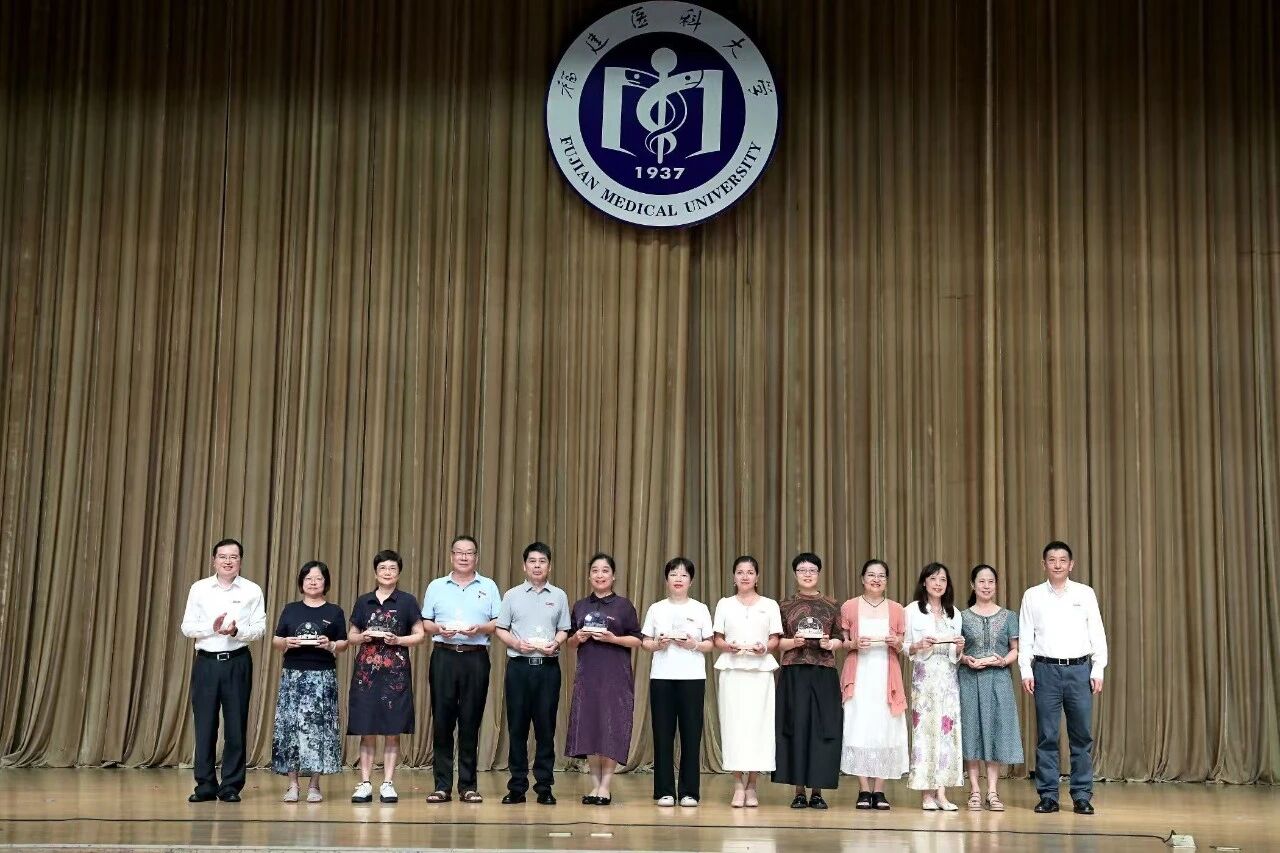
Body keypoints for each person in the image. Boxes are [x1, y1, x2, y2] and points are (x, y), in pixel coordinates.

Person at [1018, 540, 1108, 815]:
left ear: (1071, 565)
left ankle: (1081, 795)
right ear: (1043, 564)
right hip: (1045, 670)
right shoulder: (1032, 595)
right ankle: (1048, 795)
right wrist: (1025, 670)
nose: (1057, 565)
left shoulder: (1085, 593)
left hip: (1079, 670)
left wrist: (1098, 668)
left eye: (1062, 560)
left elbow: (1097, 632)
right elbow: (1026, 635)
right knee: (1047, 735)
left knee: (1081, 735)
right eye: (1052, 560)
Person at [180, 538, 267, 803]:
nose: (228, 561)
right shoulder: (199, 588)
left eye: (233, 557)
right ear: (214, 560)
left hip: (237, 661)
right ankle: (205, 785)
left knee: (236, 726)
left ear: (240, 560)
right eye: (223, 556)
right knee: (205, 725)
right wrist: (212, 628)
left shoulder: (252, 590)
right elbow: (187, 627)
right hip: (206, 663)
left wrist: (236, 630)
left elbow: (260, 629)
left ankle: (231, 785)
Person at [421, 535, 501, 804]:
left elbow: (498, 622)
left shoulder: (488, 586)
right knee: (442, 721)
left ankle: (468, 785)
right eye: (459, 552)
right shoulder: (436, 586)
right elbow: (426, 622)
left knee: (470, 721)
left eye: (469, 553)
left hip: (475, 657)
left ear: (476, 557)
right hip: (443, 656)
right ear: (451, 556)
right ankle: (441, 785)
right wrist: (439, 628)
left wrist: (479, 628)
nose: (464, 557)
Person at [347, 549, 426, 804]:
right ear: (375, 572)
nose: (387, 572)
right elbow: (351, 636)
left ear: (399, 573)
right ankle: (365, 783)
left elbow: (420, 635)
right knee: (366, 729)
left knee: (393, 730)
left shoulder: (407, 601)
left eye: (392, 568)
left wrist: (398, 640)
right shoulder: (364, 601)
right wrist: (363, 637)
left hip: (395, 674)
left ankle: (388, 783)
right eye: (383, 568)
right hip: (366, 675)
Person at [495, 542, 571, 806]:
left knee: (545, 729)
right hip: (519, 668)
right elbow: (501, 629)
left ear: (549, 565)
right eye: (532, 561)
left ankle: (544, 787)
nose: (537, 566)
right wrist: (516, 644)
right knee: (517, 728)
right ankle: (517, 787)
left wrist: (557, 642)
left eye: (542, 561)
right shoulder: (512, 595)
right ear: (524, 565)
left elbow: (564, 629)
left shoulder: (559, 595)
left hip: (548, 669)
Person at [565, 553, 642, 806]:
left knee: (611, 726)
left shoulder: (623, 606)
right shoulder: (580, 606)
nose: (600, 575)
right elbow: (569, 642)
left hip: (615, 675)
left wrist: (614, 639)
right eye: (595, 570)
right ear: (589, 576)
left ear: (613, 576)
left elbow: (637, 640)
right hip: (588, 675)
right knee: (589, 726)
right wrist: (578, 638)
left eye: (605, 570)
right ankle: (595, 784)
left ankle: (606, 786)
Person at [271, 560, 348, 803]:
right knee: (291, 729)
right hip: (293, 676)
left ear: (326, 582)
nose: (313, 583)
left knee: (319, 730)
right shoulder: (291, 609)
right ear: (301, 582)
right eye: (308, 578)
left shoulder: (334, 611)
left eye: (318, 578)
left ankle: (315, 785)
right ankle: (292, 785)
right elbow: (276, 639)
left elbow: (344, 643)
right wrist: (286, 642)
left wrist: (331, 645)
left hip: (322, 676)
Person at [641, 557, 714, 807]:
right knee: (663, 735)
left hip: (692, 678)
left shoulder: (700, 608)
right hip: (662, 677)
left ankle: (689, 791)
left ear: (691, 581)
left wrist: (692, 644)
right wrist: (658, 644)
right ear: (666, 579)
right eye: (673, 574)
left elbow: (709, 644)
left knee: (691, 735)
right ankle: (664, 790)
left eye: (684, 575)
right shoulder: (656, 608)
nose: (678, 579)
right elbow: (645, 642)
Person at [773, 552, 843, 810]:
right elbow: (777, 642)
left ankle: (817, 791)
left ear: (819, 573)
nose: (807, 574)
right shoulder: (784, 605)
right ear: (795, 574)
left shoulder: (832, 604)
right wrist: (793, 642)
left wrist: (830, 644)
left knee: (822, 728)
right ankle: (799, 791)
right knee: (796, 726)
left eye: (812, 570)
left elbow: (841, 638)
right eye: (802, 570)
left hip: (824, 670)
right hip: (794, 671)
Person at [711, 555, 782, 808]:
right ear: (734, 577)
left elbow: (775, 639)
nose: (745, 576)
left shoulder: (770, 605)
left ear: (757, 577)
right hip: (732, 671)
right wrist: (727, 646)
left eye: (750, 572)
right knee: (734, 727)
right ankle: (738, 785)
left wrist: (765, 647)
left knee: (759, 728)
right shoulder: (724, 604)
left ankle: (752, 784)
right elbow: (717, 639)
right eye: (740, 572)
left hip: (760, 673)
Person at [839, 559, 909, 811]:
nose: (876, 579)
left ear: (887, 581)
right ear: (862, 578)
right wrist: (854, 644)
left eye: (881, 576)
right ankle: (863, 789)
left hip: (886, 675)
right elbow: (843, 642)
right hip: (859, 674)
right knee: (858, 727)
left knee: (885, 729)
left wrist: (896, 643)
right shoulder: (849, 606)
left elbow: (901, 645)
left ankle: (879, 789)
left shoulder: (897, 609)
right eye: (871, 575)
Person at [959, 564, 1022, 812]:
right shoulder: (961, 616)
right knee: (971, 732)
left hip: (999, 679)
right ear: (972, 585)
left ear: (996, 585)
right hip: (969, 679)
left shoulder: (1009, 616)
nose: (986, 586)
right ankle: (975, 789)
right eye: (981, 581)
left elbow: (1015, 649)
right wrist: (965, 659)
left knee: (995, 731)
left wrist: (1003, 661)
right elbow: (957, 650)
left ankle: (993, 791)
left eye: (991, 581)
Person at [906, 561, 965, 811]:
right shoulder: (912, 611)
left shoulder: (955, 613)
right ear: (924, 582)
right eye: (933, 579)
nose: (938, 584)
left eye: (942, 579)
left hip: (949, 679)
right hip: (925, 678)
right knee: (925, 732)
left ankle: (942, 793)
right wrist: (918, 645)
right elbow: (903, 646)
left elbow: (957, 654)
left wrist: (960, 648)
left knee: (947, 732)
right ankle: (926, 794)